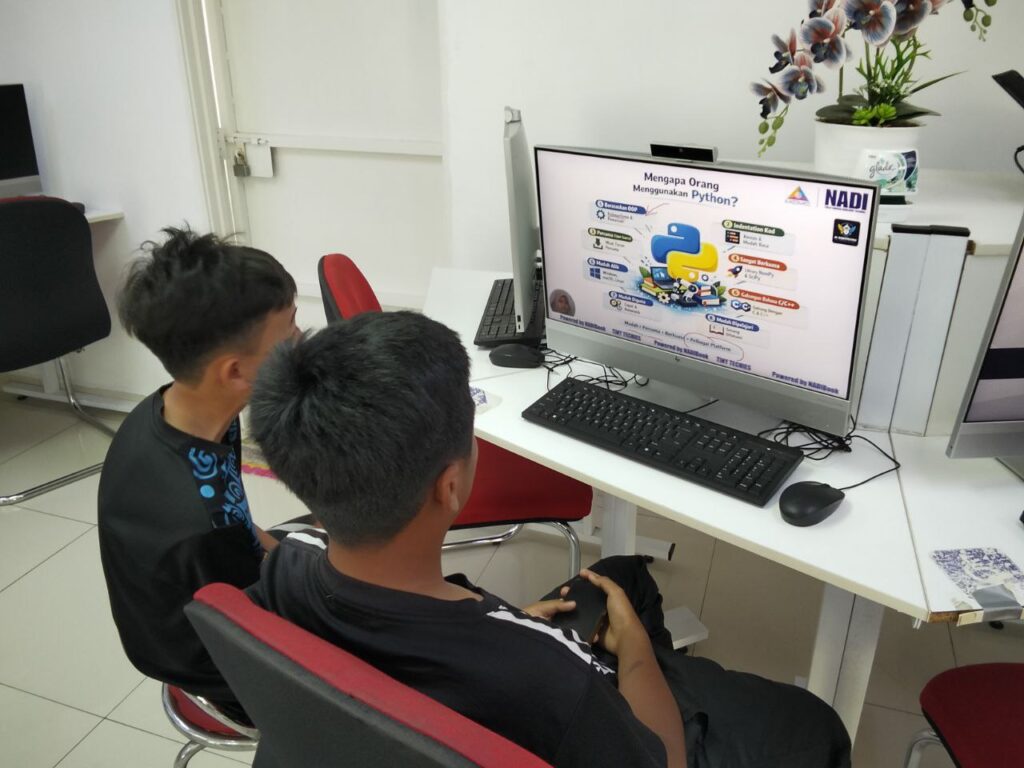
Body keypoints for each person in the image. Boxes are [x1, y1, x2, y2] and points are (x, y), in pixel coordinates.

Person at [246, 311, 852, 767]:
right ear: (450, 487)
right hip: (600, 727)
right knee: (813, 726)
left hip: (457, 672)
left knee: (622, 577)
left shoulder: (283, 562)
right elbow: (658, 759)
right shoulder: (547, 674)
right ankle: (671, 682)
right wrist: (635, 654)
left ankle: (669, 672)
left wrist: (507, 622)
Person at [98, 227, 300, 721]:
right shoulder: (202, 521)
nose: (300, 338)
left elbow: (236, 521)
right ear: (234, 372)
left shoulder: (175, 411)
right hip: (224, 670)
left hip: (210, 591)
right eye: (290, 329)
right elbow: (248, 627)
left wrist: (283, 551)